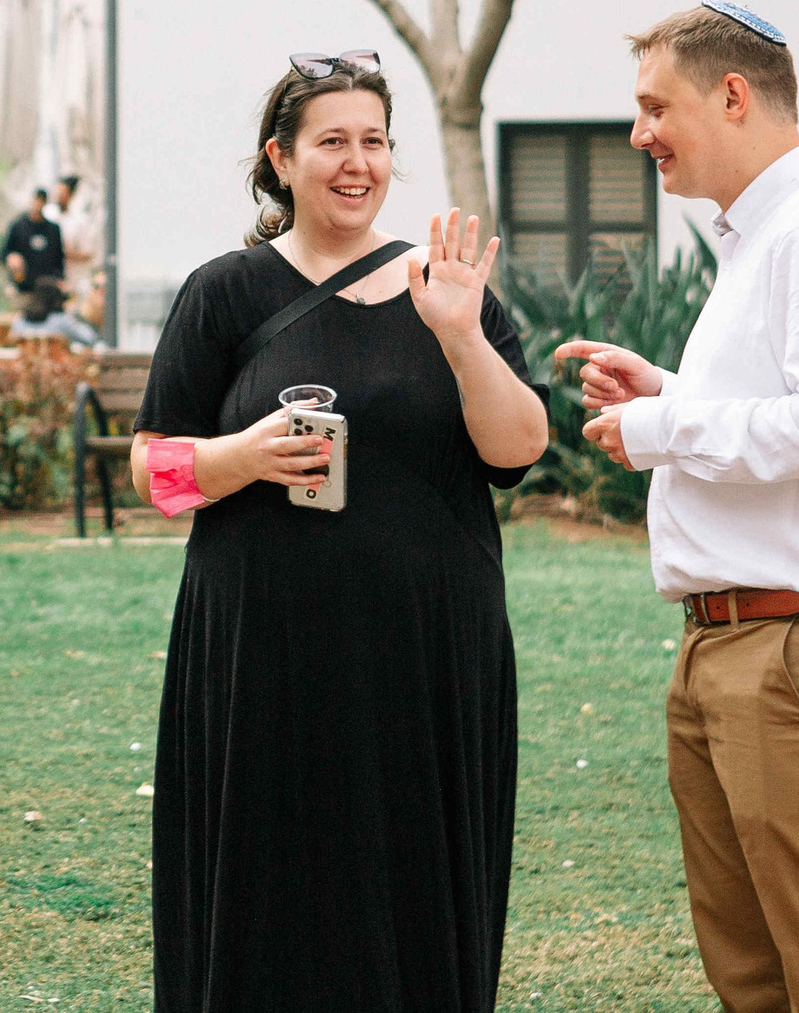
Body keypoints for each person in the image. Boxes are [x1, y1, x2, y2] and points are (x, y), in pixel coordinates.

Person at [129, 51, 549, 1012]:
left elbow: (519, 449)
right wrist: (242, 456)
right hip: (265, 648)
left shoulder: (449, 286)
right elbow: (152, 470)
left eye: (374, 141)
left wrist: (460, 334)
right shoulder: (225, 292)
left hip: (425, 647)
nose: (356, 162)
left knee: (411, 874)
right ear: (281, 159)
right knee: (271, 873)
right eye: (332, 141)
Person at [554, 3, 799, 1013]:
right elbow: (793, 408)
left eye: (651, 108)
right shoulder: (764, 238)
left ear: (731, 95)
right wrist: (668, 394)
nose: (638, 136)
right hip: (736, 650)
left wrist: (662, 434)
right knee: (756, 979)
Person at [1, 189, 64, 299]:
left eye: (41, 201)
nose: (38, 204)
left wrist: (61, 280)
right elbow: (4, 252)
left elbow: (59, 258)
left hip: (48, 287)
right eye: (36, 200)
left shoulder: (53, 229)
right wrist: (11, 258)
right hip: (23, 287)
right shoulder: (18, 226)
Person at [7, 278, 99, 350]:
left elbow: (11, 341)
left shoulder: (21, 319)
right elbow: (89, 338)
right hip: (57, 370)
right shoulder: (61, 320)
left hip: (26, 369)